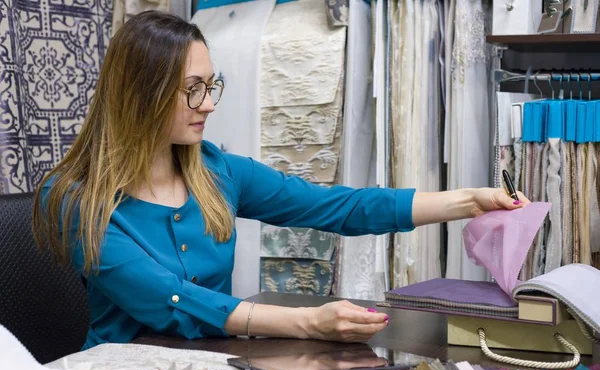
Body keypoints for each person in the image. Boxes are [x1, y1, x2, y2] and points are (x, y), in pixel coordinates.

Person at [33, 11, 529, 350]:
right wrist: (308, 322)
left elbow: (339, 207)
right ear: (140, 95)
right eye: (192, 91)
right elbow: (169, 300)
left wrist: (471, 200)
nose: (208, 104)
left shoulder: (217, 172)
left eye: (211, 87)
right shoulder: (76, 199)